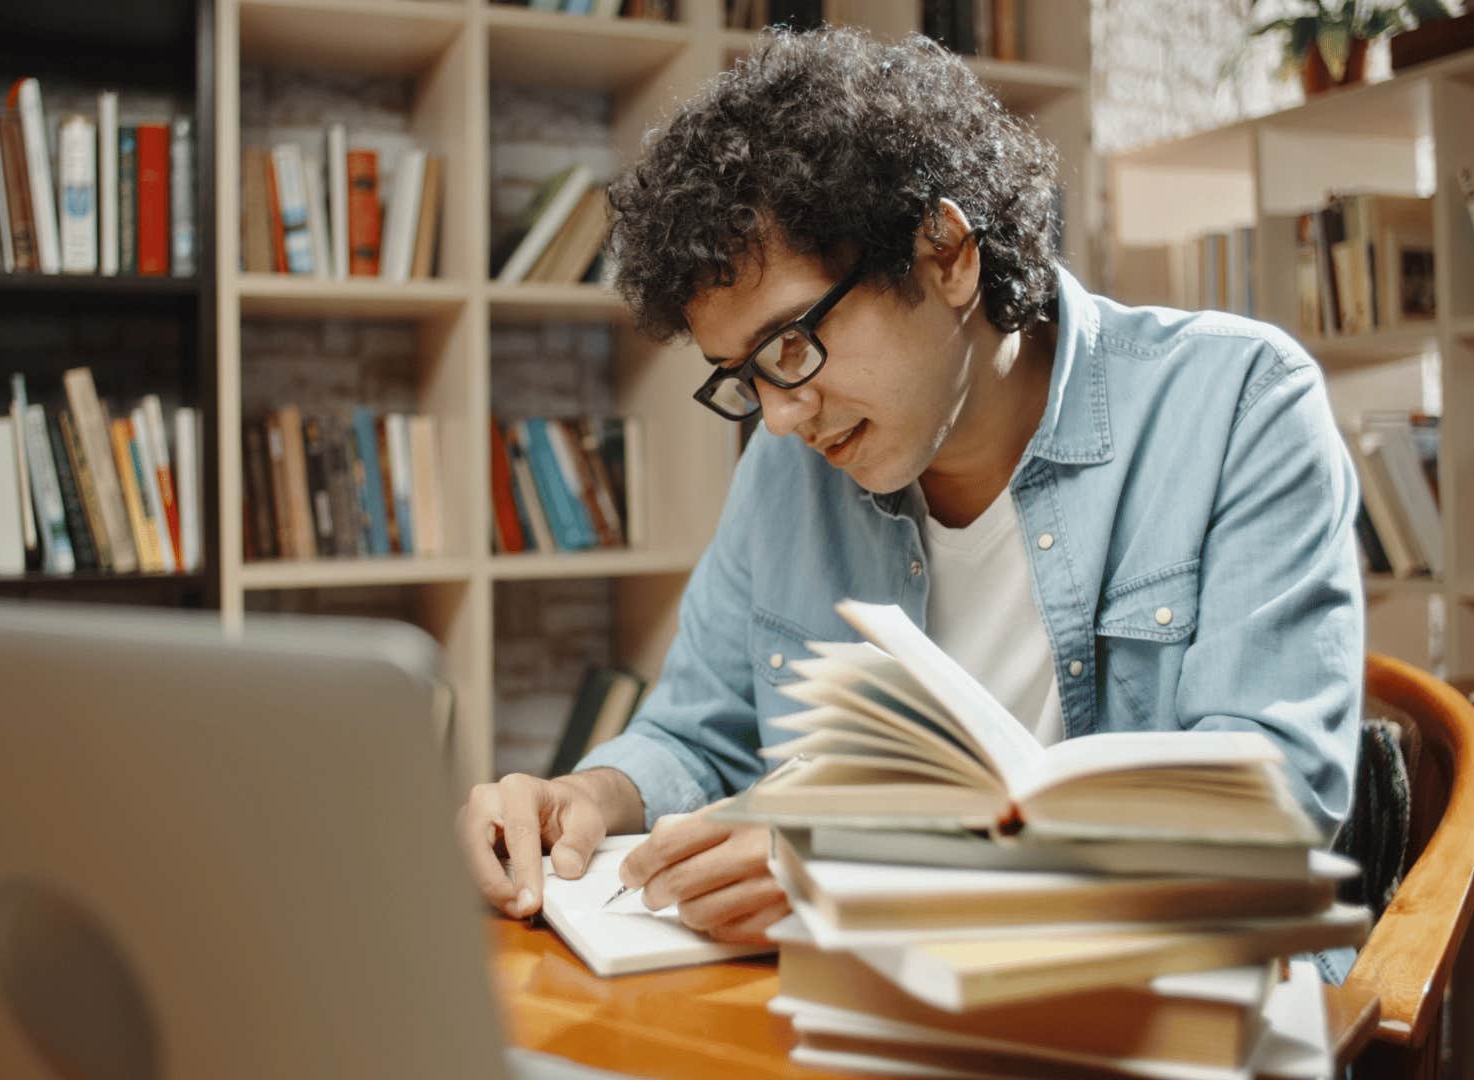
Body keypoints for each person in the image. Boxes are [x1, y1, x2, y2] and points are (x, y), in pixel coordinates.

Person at [457, 26, 1363, 977]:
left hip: (1159, 1000)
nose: (777, 417)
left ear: (946, 253)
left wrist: (874, 859)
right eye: (743, 378)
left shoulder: (1238, 404)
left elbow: (1272, 802)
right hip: (874, 1008)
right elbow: (697, 729)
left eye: (793, 345)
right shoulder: (789, 469)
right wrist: (585, 796)